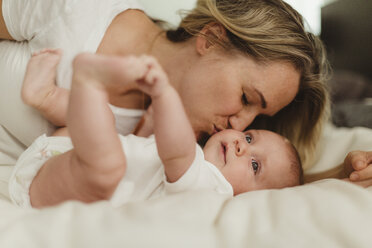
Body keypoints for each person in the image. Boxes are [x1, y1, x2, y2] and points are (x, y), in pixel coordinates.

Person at [0, 0, 371, 184]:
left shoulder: (188, 146)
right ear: (210, 38)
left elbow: (260, 180)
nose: (238, 124)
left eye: (256, 120)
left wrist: (340, 175)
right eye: (245, 98)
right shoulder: (76, 13)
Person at [9, 50, 303, 208]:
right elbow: (143, 166)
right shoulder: (201, 170)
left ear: (253, 200)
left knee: (106, 161)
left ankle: (84, 82)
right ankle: (45, 95)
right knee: (104, 128)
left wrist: (164, 95)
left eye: (254, 165)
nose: (241, 142)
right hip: (69, 160)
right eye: (250, 138)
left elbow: (177, 150)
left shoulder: (214, 192)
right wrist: (145, 130)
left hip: (59, 191)